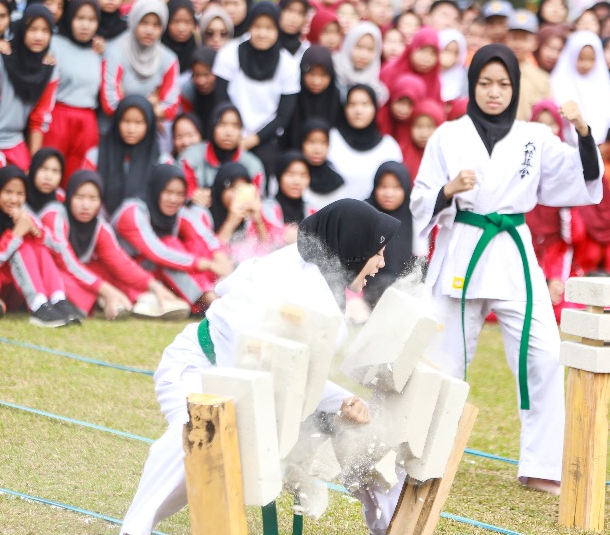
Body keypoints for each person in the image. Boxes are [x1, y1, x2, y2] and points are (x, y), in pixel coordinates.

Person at [119, 198, 400, 535]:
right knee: (196, 433)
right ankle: (134, 529)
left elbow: (293, 375)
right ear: (355, 247)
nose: (382, 263)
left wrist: (344, 405)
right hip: (200, 368)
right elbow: (266, 367)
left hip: (260, 388)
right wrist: (335, 404)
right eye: (377, 252)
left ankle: (391, 528)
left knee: (366, 429)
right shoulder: (290, 280)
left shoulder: (322, 281)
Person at [411, 44, 604, 495]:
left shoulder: (534, 136)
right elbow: (419, 199)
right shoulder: (447, 135)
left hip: (513, 252)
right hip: (462, 246)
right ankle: (424, 454)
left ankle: (542, 465)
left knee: (544, 352)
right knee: (442, 359)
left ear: (515, 88)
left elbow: (580, 179)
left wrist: (583, 131)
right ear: (471, 85)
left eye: (503, 84)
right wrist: (447, 190)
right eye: (484, 83)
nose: (494, 92)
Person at [45, 169, 191, 320]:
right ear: (69, 197)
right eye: (80, 197)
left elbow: (120, 262)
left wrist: (154, 286)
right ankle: (110, 300)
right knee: (72, 277)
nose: (86, 205)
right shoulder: (55, 216)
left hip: (81, 276)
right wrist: (107, 290)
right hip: (53, 273)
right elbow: (68, 263)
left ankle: (141, 300)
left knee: (109, 271)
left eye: (93, 198)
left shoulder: (98, 226)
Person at [112, 164, 231, 312]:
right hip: (125, 277)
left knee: (196, 243)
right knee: (171, 244)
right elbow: (158, 252)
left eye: (180, 194)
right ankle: (209, 299)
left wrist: (219, 255)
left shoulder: (177, 211)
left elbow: (203, 234)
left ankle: (219, 292)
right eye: (168, 192)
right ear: (156, 189)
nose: (174, 199)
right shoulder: (132, 212)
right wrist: (207, 264)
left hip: (155, 275)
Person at [212, 1, 300, 187]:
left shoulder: (288, 64)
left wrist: (252, 140)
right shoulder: (229, 53)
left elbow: (283, 116)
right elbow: (220, 99)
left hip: (266, 137)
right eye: (257, 26)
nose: (262, 33)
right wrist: (233, 132)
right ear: (249, 26)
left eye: (269, 28)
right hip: (228, 130)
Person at [0, 165, 81, 327]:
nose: (14, 200)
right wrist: (15, 234)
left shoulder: (23, 214)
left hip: (14, 289)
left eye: (20, 194)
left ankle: (57, 299)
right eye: (8, 192)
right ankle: (38, 306)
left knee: (38, 246)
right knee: (21, 247)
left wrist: (34, 230)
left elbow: (55, 246)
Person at [44, 0, 102, 188]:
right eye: (79, 18)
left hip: (87, 122)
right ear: (70, 18)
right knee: (51, 172)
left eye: (91, 19)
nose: (85, 25)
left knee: (79, 178)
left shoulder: (98, 51)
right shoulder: (55, 44)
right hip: (58, 118)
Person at [100, 0, 180, 127]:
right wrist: (149, 106)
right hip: (112, 132)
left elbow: (171, 108)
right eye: (144, 23)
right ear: (134, 21)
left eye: (156, 25)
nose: (150, 31)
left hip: (148, 137)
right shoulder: (115, 52)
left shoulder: (169, 59)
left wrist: (126, 102)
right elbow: (110, 104)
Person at [0, 4, 58, 169]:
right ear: (22, 29)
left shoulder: (49, 69)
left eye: (45, 31)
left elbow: (39, 120)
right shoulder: (4, 57)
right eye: (32, 29)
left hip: (15, 144)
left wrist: (33, 165)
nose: (38, 36)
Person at [84, 96, 161, 217]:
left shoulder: (161, 161)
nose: (131, 129)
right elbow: (85, 192)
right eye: (126, 121)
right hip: (100, 222)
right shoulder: (95, 155)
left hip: (144, 224)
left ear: (149, 124)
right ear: (117, 121)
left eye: (138, 122)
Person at [327, 85, 402, 201]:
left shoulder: (388, 147)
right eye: (352, 104)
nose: (358, 111)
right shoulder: (330, 140)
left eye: (365, 104)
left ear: (375, 108)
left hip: (375, 217)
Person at [178, 102, 265, 203]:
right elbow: (180, 193)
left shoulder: (253, 165)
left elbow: (256, 202)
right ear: (212, 127)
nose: (228, 132)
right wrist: (192, 197)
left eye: (235, 126)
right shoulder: (190, 157)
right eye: (222, 124)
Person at [550, 30, 610, 146]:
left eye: (591, 60)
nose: (586, 65)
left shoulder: (602, 83)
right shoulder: (558, 83)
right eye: (581, 59)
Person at [364, 161, 416, 307]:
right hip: (370, 288)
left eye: (396, 187)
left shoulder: (415, 216)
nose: (389, 193)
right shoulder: (364, 214)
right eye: (383, 186)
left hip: (408, 288)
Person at [286, 45, 342, 149]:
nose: (316, 81)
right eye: (311, 74)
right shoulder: (293, 96)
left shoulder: (335, 98)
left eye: (323, 75)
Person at [506, 10, 552, 121]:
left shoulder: (542, 78)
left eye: (524, 39)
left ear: (535, 43)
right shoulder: (497, 72)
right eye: (514, 38)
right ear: (506, 39)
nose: (518, 44)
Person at [380, 26, 442, 103]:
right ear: (413, 48)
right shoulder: (389, 71)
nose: (427, 58)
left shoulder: (435, 81)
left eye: (433, 53)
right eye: (422, 50)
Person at [333, 21, 389, 105]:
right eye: (359, 47)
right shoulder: (333, 70)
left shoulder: (377, 92)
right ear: (349, 44)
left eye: (370, 49)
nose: (363, 55)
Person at [299, 119, 343, 210]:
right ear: (301, 143)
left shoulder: (336, 181)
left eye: (323, 143)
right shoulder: (291, 173)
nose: (317, 149)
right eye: (311, 142)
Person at [180, 47, 222, 139]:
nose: (201, 81)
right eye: (196, 75)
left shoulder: (228, 92)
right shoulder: (188, 91)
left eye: (207, 74)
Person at [401, 100, 445, 181]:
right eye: (418, 126)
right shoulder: (400, 153)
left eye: (430, 127)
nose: (424, 134)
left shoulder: (445, 156)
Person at [161, 0, 197, 81]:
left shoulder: (198, 51)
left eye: (187, 22)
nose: (181, 29)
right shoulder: (158, 51)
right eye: (175, 22)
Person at [438, 28, 468, 103]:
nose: (451, 57)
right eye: (447, 51)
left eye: (456, 53)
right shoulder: (426, 71)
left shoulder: (465, 77)